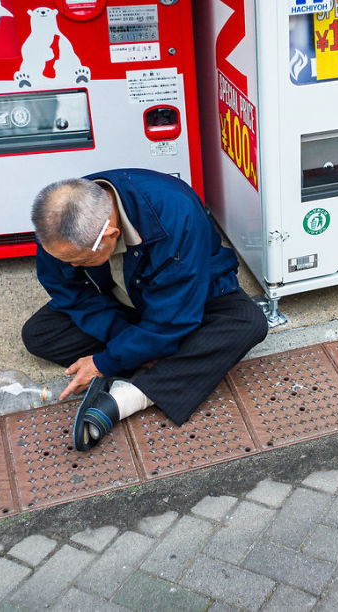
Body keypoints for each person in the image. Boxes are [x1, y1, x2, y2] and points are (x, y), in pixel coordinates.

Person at [22, 168, 268, 451]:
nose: (72, 266)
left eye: (78, 261)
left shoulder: (176, 212)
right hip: (123, 304)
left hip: (189, 297)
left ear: (110, 235)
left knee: (248, 322)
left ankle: (129, 396)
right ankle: (166, 364)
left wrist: (104, 363)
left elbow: (173, 318)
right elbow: (68, 291)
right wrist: (121, 340)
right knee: (40, 333)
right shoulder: (58, 223)